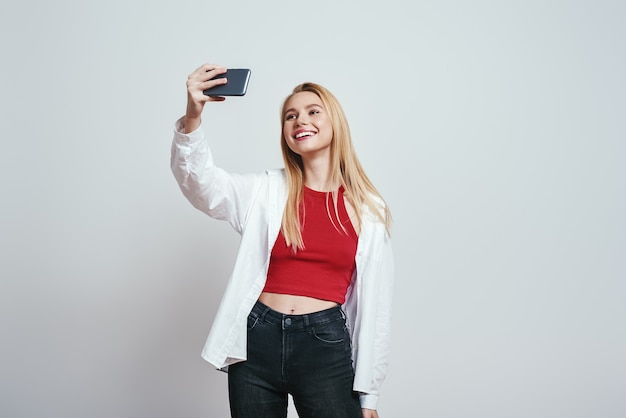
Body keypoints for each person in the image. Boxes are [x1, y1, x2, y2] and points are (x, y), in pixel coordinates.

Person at [171, 64, 394, 418]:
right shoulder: (265, 189)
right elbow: (202, 187)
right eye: (290, 116)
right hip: (257, 339)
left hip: (324, 343)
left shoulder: (369, 210)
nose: (299, 120)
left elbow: (375, 311)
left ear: (335, 123)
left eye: (312, 111)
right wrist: (193, 117)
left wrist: (369, 397)